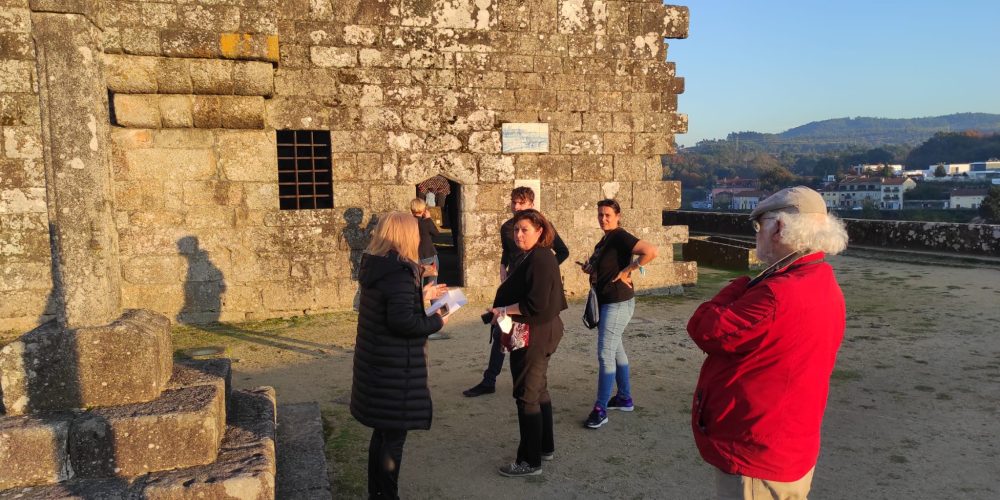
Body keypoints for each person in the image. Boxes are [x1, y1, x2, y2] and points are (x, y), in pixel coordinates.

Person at [687, 186, 848, 500]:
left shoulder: (776, 294)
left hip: (757, 451)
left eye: (759, 226)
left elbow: (704, 328)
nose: (757, 235)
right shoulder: (823, 281)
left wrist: (739, 285)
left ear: (779, 228)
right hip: (792, 441)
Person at [350, 211, 449, 499]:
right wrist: (439, 319)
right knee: (392, 440)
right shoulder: (399, 272)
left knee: (382, 435)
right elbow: (403, 322)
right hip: (394, 372)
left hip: (379, 368)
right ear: (407, 235)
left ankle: (376, 494)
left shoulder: (380, 266)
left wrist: (422, 296)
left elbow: (392, 308)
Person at [463, 187, 569, 397]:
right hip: (512, 286)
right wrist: (503, 267)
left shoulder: (542, 228)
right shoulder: (506, 228)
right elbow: (507, 251)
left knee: (518, 336)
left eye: (521, 203)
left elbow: (563, 252)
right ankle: (489, 379)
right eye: (514, 202)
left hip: (528, 291)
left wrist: (540, 273)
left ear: (531, 204)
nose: (516, 207)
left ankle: (525, 382)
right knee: (500, 330)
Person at [487, 209, 567, 477]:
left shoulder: (541, 258)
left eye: (525, 230)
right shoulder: (532, 256)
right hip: (537, 329)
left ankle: (529, 462)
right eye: (516, 229)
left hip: (535, 332)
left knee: (526, 396)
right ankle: (544, 447)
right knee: (538, 390)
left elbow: (535, 303)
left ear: (540, 231)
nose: (518, 234)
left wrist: (504, 310)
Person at [579, 199, 658, 429]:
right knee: (616, 350)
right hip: (607, 302)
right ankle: (624, 398)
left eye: (607, 215)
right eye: (600, 214)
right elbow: (605, 267)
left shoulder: (620, 236)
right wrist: (590, 269)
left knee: (605, 353)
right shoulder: (605, 240)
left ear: (618, 216)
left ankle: (600, 408)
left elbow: (650, 251)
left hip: (618, 302)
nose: (603, 218)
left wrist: (629, 269)